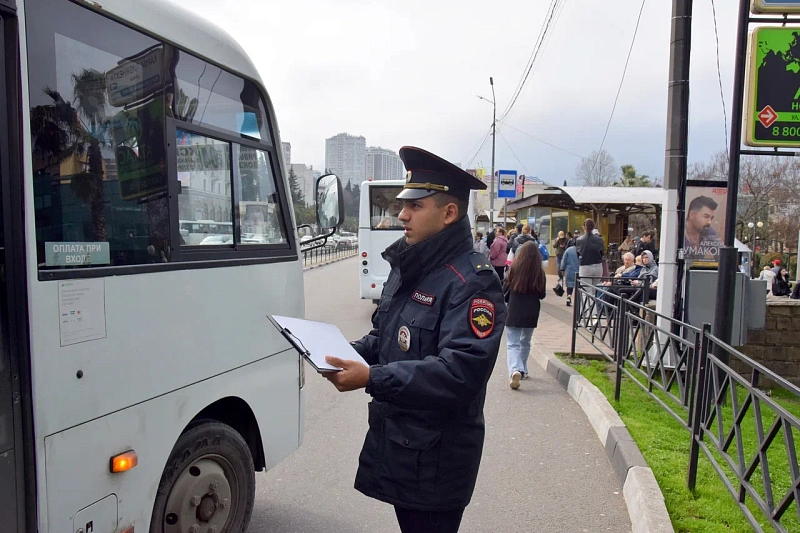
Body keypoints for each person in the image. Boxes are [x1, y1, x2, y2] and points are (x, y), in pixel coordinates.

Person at [322, 146, 506, 533]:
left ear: (449, 213)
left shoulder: (473, 282)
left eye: (415, 205)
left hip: (438, 461)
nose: (401, 213)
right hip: (403, 446)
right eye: (403, 204)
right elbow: (386, 336)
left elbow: (459, 372)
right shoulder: (413, 265)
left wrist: (371, 378)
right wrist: (339, 353)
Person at [503, 241, 546, 390]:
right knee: (525, 342)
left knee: (513, 343)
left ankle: (515, 369)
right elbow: (542, 295)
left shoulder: (514, 269)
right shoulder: (539, 272)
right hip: (532, 312)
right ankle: (523, 370)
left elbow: (505, 291)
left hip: (514, 311)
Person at [684, 196, 721, 262]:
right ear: (692, 215)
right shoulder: (676, 230)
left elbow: (722, 256)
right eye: (706, 217)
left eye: (711, 218)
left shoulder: (709, 231)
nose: (709, 222)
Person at [576, 219, 605, 289]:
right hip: (598, 266)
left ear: (583, 227)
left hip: (585, 266)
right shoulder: (599, 239)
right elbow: (602, 253)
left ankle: (590, 300)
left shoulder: (579, 240)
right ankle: (594, 300)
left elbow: (578, 254)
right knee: (595, 290)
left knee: (586, 292)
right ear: (593, 227)